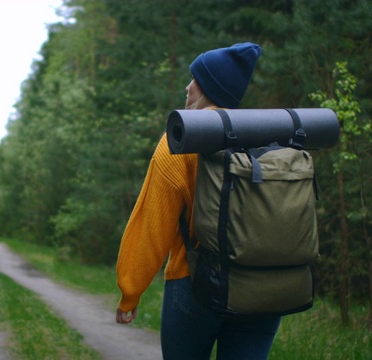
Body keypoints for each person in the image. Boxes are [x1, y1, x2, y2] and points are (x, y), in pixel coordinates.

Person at [114, 42, 281, 359]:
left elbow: (151, 226)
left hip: (198, 287)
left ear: (207, 88)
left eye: (195, 79)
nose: (187, 87)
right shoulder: (266, 136)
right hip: (265, 291)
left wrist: (130, 292)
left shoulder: (181, 140)